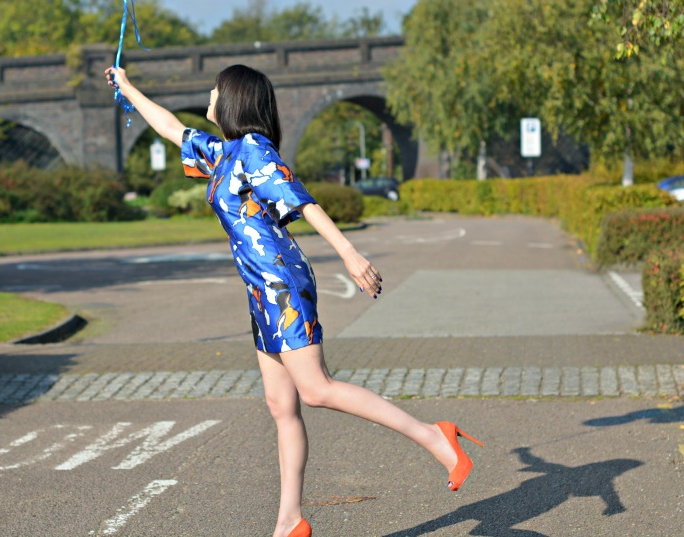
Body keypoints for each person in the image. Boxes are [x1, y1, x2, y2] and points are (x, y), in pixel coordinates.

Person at [105, 64, 483, 537]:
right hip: (260, 291)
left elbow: (302, 202)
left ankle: (436, 436)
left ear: (234, 100)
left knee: (317, 389)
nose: (209, 95)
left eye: (215, 90)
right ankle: (289, 522)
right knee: (280, 405)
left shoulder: (254, 150)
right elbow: (168, 125)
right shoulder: (221, 154)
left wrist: (349, 253)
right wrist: (127, 87)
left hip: (282, 284)